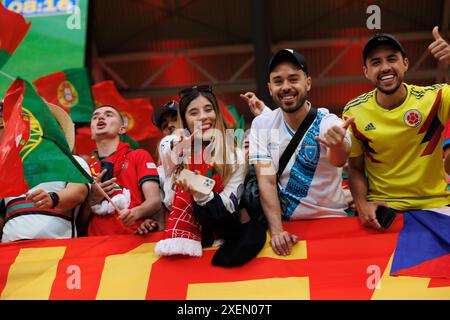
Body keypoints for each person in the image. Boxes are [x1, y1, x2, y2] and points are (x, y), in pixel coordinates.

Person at [342, 27, 450, 230]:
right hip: (384, 213)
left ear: (405, 64)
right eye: (376, 62)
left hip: (436, 206)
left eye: (392, 59)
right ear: (366, 72)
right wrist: (362, 204)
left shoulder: (436, 98)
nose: (385, 67)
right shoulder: (354, 111)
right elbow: (355, 168)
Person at [249, 49, 353, 256]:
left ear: (308, 83)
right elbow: (266, 180)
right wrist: (278, 231)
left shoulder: (327, 121)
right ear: (270, 89)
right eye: (278, 81)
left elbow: (339, 160)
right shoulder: (262, 124)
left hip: (333, 225)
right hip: (289, 230)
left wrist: (338, 144)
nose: (286, 87)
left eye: (293, 79)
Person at [153, 85, 266, 267]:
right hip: (180, 255)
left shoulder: (234, 156)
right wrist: (184, 146)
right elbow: (169, 149)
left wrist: (201, 192)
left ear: (217, 113)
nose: (203, 117)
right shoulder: (172, 146)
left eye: (208, 109)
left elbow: (228, 209)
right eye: (194, 112)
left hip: (219, 250)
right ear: (184, 120)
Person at [1, 103, 90, 242]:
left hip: (55, 249)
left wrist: (53, 198)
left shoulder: (73, 161)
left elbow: (79, 193)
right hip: (9, 250)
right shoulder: (8, 168)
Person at [77, 105, 163, 236]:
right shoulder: (84, 167)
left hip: (133, 241)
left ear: (122, 129)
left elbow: (155, 202)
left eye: (108, 114)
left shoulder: (138, 155)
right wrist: (92, 200)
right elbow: (79, 224)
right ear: (92, 132)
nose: (100, 117)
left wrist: (135, 213)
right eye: (95, 117)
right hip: (95, 246)